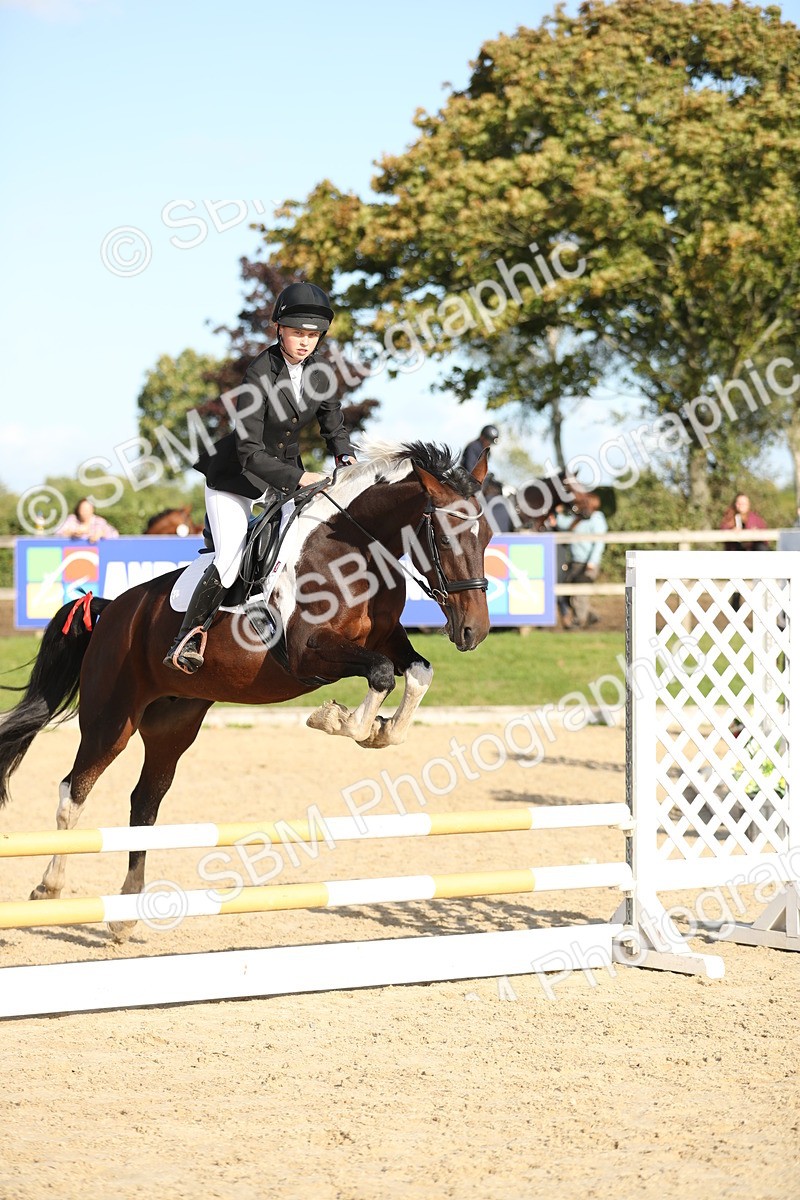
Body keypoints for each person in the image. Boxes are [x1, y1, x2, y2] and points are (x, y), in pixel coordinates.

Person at [164, 282, 357, 673]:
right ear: (279, 329)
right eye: (298, 333)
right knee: (230, 559)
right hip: (237, 478)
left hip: (283, 476)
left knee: (299, 548)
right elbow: (249, 451)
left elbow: (333, 424)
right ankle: (187, 637)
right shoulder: (260, 371)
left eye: (313, 335)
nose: (305, 342)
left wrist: (346, 458)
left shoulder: (321, 372)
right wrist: (299, 478)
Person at [555, 492, 607, 629]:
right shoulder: (579, 518)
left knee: (580, 595)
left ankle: (578, 623)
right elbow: (565, 524)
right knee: (568, 593)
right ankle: (590, 615)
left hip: (587, 563)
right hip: (575, 562)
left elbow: (599, 543)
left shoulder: (596, 519)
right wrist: (558, 514)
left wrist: (592, 561)